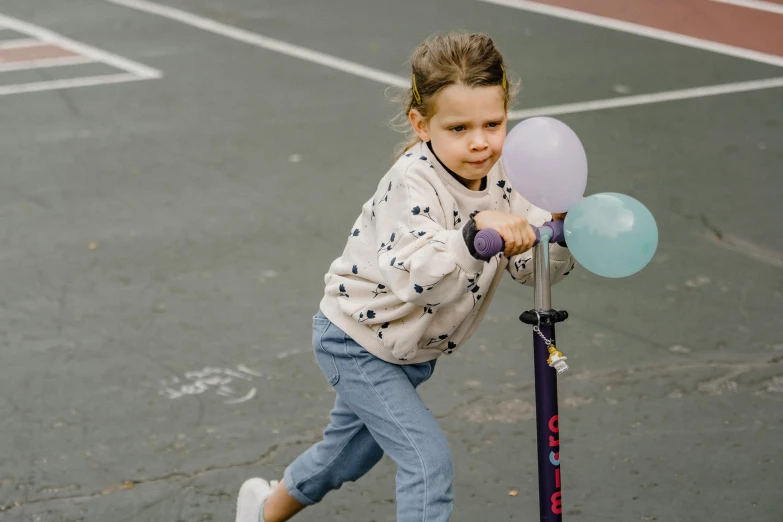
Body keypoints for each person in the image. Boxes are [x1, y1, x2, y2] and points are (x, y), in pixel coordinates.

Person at [235, 31, 575, 522]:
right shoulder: (411, 180)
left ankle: (263, 511)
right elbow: (417, 281)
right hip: (355, 340)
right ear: (421, 124)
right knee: (425, 461)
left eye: (493, 123)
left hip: (409, 349)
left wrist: (556, 233)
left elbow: (530, 270)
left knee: (346, 456)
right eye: (458, 128)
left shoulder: (508, 175)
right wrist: (470, 234)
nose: (480, 142)